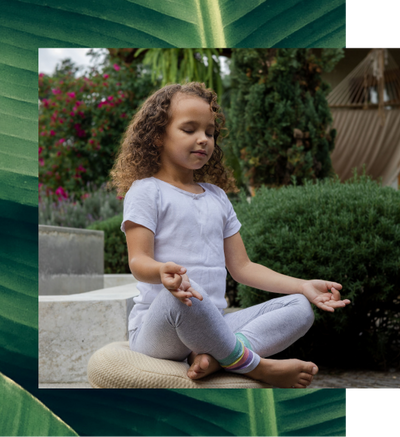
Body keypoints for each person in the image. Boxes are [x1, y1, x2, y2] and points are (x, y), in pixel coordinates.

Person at [109, 82, 351, 388]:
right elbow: (138, 261)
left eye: (209, 132)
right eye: (189, 129)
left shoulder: (217, 197)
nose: (203, 140)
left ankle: (216, 356)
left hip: (212, 328)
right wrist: (160, 271)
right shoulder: (146, 191)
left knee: (300, 307)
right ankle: (256, 366)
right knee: (186, 291)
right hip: (160, 329)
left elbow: (243, 268)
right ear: (157, 136)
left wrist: (304, 286)